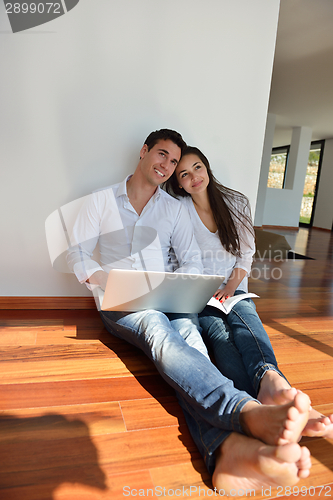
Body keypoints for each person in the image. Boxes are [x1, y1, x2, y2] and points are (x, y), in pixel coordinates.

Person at [67, 129, 312, 493]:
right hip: (122, 301)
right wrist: (103, 278)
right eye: (162, 155)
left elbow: (191, 259)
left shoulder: (173, 207)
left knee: (193, 344)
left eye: (173, 161)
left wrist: (178, 286)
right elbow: (76, 253)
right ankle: (243, 410)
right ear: (144, 151)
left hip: (168, 296)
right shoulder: (100, 201)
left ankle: (227, 451)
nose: (166, 165)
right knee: (158, 331)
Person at [165, 145, 333, 440]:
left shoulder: (235, 201)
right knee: (220, 338)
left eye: (198, 168)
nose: (194, 177)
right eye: (184, 174)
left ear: (207, 167)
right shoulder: (178, 211)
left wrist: (230, 288)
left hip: (235, 287)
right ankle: (274, 406)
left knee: (245, 322)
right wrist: (205, 292)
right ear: (178, 182)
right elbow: (178, 259)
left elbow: (246, 255)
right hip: (200, 294)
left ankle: (271, 381)